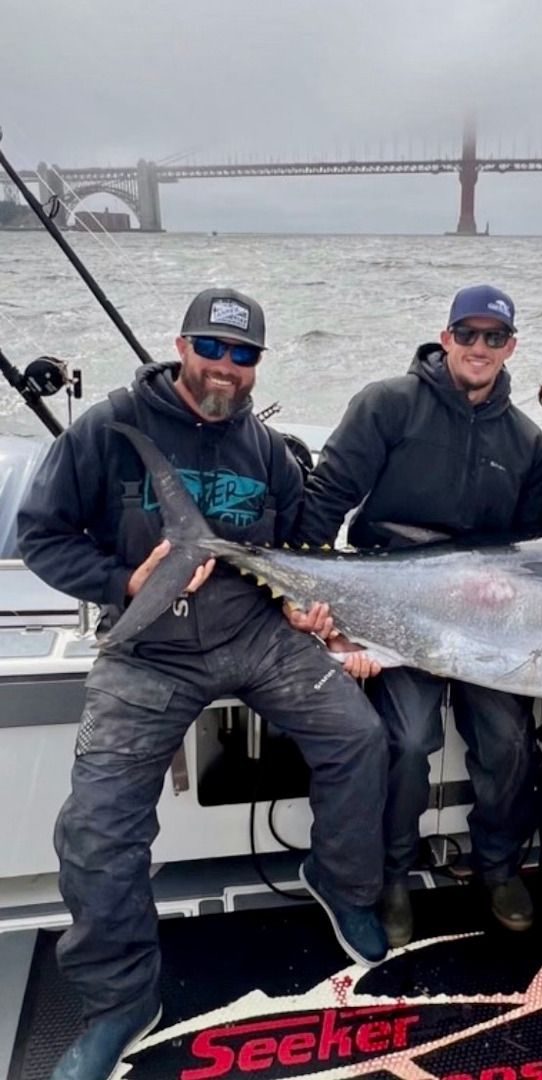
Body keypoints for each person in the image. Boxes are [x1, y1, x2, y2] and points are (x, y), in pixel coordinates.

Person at [16, 288, 390, 1080]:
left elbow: (294, 547)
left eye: (243, 355)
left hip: (253, 636)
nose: (225, 367)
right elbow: (40, 536)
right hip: (147, 650)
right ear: (181, 344)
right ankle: (121, 999)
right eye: (211, 349)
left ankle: (340, 878)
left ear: (258, 365)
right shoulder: (109, 428)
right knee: (96, 827)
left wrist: (306, 606)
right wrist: (123, 581)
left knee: (359, 737)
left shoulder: (267, 451)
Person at [293, 285, 542, 948]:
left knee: (509, 741)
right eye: (468, 333)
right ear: (446, 338)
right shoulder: (389, 404)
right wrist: (304, 598)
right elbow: (326, 501)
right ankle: (392, 875)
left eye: (495, 337)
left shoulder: (525, 440)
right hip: (391, 599)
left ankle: (497, 867)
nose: (479, 347)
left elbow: (527, 546)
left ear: (511, 348)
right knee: (406, 742)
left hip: (481, 616)